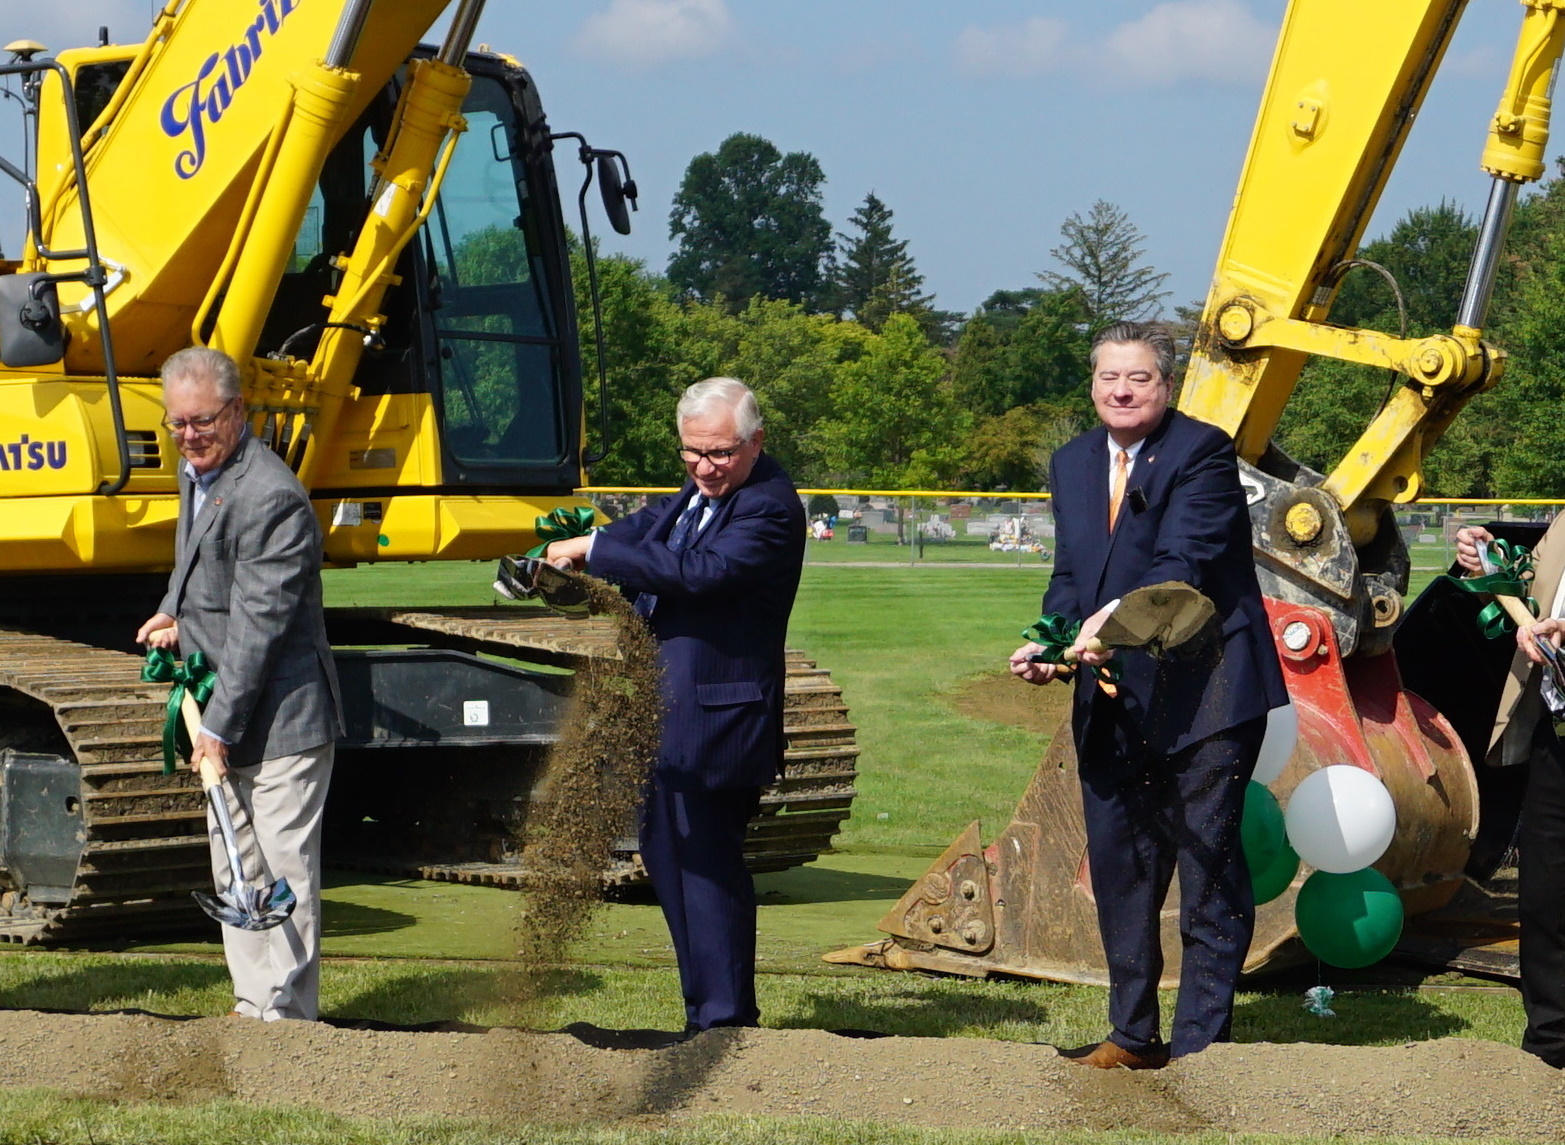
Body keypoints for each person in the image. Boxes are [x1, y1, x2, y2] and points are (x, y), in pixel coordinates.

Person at [1009, 321, 1287, 1068]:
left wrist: (1101, 624)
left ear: (1165, 387)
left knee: (1206, 869)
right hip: (1113, 693)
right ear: (1092, 384)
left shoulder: (1199, 451)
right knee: (1119, 865)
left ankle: (1202, 1047)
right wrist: (1051, 642)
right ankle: (1130, 1033)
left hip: (1208, 694)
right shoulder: (1070, 463)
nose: (1122, 390)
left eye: (1138, 378)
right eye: (1109, 378)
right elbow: (1070, 577)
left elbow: (1179, 564)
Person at [546, 377, 805, 1033]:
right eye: (691, 452)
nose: (703, 466)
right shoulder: (693, 495)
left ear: (755, 442)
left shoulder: (767, 506)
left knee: (707, 866)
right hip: (664, 714)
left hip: (718, 721)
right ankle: (702, 1012)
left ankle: (723, 1020)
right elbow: (635, 531)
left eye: (718, 453)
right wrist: (556, 544)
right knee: (670, 860)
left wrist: (596, 550)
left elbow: (700, 573)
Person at [136, 347, 342, 1022]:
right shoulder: (196, 471)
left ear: (237, 411)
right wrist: (173, 605)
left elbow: (259, 627)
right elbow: (192, 553)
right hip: (226, 707)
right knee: (234, 871)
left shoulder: (271, 497)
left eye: (203, 421)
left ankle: (284, 1022)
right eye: (178, 424)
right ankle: (252, 1008)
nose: (190, 435)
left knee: (280, 874)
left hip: (281, 717)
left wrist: (216, 730)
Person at [1455, 520, 1565, 1068]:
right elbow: (1529, 581)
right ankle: (1550, 1047)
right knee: (1546, 893)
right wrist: (1490, 563)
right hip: (1556, 725)